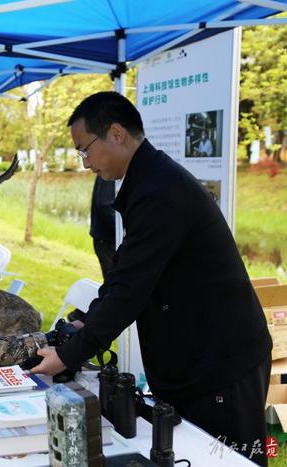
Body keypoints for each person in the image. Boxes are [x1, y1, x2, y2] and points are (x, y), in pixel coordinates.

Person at [31, 91, 272, 465]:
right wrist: (85, 324)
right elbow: (124, 273)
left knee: (225, 458)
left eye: (85, 150)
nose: (85, 163)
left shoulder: (161, 190)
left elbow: (129, 291)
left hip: (223, 362)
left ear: (116, 133)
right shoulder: (149, 182)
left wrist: (68, 355)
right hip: (197, 356)